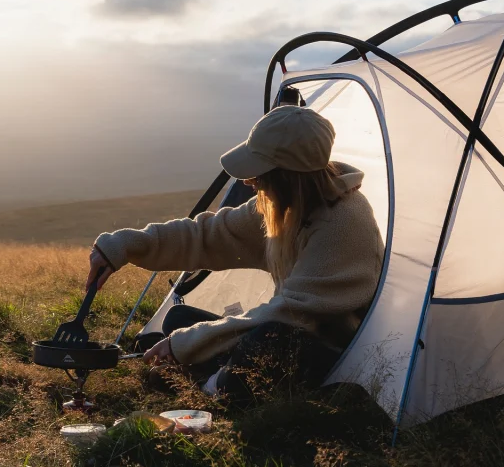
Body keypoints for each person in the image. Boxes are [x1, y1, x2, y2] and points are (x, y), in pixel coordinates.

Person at [86, 106, 384, 406]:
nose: (248, 181)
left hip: (332, 355)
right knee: (180, 317)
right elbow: (206, 235)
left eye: (259, 173)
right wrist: (121, 246)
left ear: (287, 176)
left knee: (267, 340)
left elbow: (294, 315)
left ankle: (210, 389)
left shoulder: (344, 222)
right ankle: (214, 376)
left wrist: (186, 345)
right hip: (286, 331)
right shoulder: (290, 205)